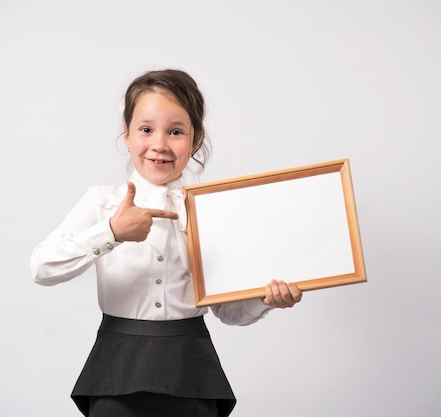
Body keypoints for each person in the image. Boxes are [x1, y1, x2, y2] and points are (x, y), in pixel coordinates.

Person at [30, 69, 302, 417]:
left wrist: (266, 300)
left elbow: (229, 312)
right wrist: (111, 232)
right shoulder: (101, 203)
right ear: (126, 135)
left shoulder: (211, 211)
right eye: (146, 129)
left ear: (195, 139)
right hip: (116, 366)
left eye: (175, 131)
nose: (159, 143)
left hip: (192, 368)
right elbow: (42, 268)